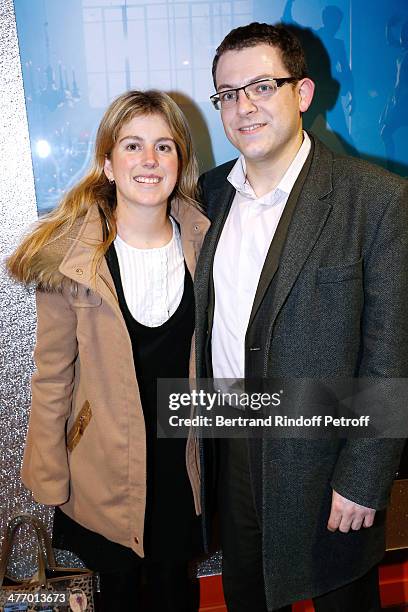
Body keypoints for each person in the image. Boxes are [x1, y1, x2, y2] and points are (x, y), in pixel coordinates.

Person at [195, 22, 408, 612]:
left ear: (303, 93)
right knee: (247, 597)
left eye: (262, 86)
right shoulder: (206, 197)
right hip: (233, 443)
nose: (244, 107)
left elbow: (390, 352)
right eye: (228, 93)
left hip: (328, 453)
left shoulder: (377, 200)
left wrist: (364, 475)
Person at [8, 90, 210, 611]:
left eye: (164, 146)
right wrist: (49, 472)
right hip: (102, 466)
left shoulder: (207, 242)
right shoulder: (71, 260)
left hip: (181, 463)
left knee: (174, 591)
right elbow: (52, 375)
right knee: (116, 595)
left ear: (180, 162)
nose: (149, 160)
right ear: (107, 162)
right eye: (133, 145)